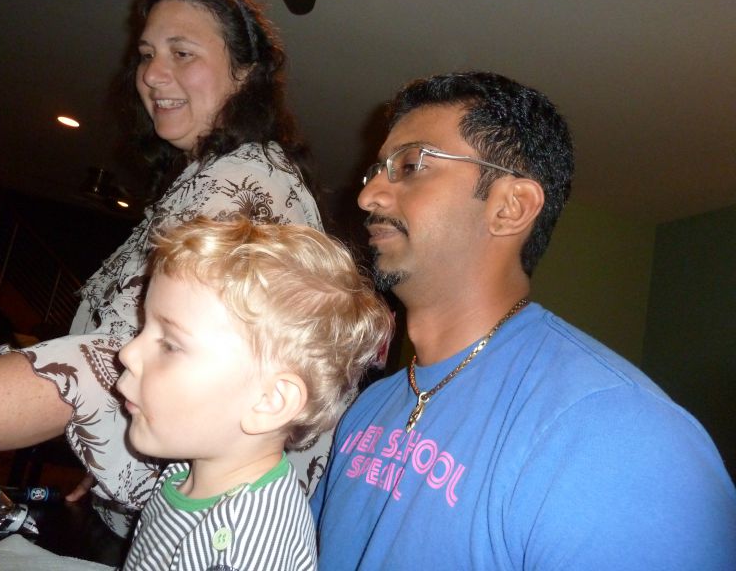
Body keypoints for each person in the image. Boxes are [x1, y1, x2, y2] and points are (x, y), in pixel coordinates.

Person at [0, 0, 326, 537]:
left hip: (215, 534)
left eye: (181, 52)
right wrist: (118, 449)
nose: (152, 74)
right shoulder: (211, 177)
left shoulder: (241, 185)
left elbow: (110, 362)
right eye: (146, 54)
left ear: (246, 73)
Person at [311, 71, 736, 569]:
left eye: (410, 165)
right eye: (376, 172)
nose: (368, 197)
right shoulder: (369, 406)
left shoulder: (625, 437)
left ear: (511, 207)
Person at [117, 215, 391, 570]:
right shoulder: (186, 476)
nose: (127, 353)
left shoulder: (245, 542)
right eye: (142, 328)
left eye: (170, 344)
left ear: (269, 401)